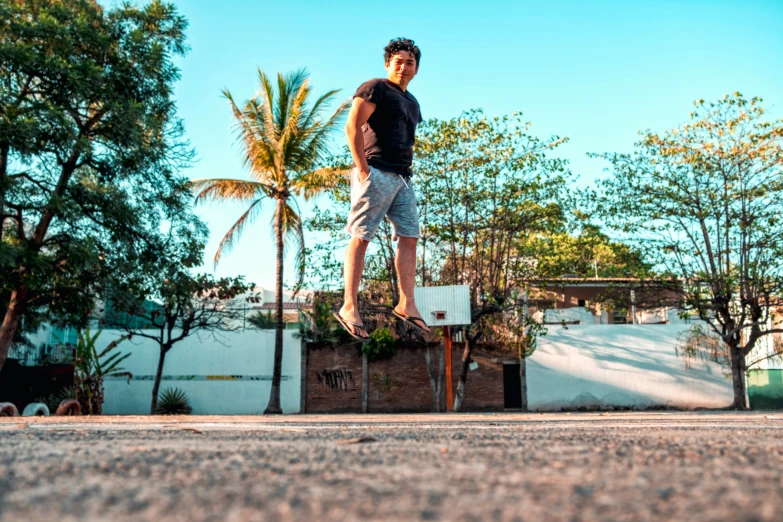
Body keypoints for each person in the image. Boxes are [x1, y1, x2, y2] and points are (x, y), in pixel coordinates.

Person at [334, 37, 432, 341]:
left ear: (417, 68)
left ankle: (407, 303)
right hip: (375, 171)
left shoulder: (412, 102)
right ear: (389, 64)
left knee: (410, 236)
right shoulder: (375, 87)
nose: (404, 67)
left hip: (403, 178)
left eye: (410, 62)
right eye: (398, 61)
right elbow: (352, 126)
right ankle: (349, 307)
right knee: (361, 237)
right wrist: (363, 169)